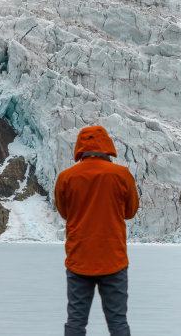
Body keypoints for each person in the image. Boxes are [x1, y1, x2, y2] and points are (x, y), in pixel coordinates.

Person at [55, 125, 140, 336]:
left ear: (80, 147)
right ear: (106, 144)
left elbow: (65, 213)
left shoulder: (66, 177)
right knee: (118, 322)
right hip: (114, 259)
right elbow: (130, 212)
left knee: (75, 321)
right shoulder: (122, 174)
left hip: (79, 258)